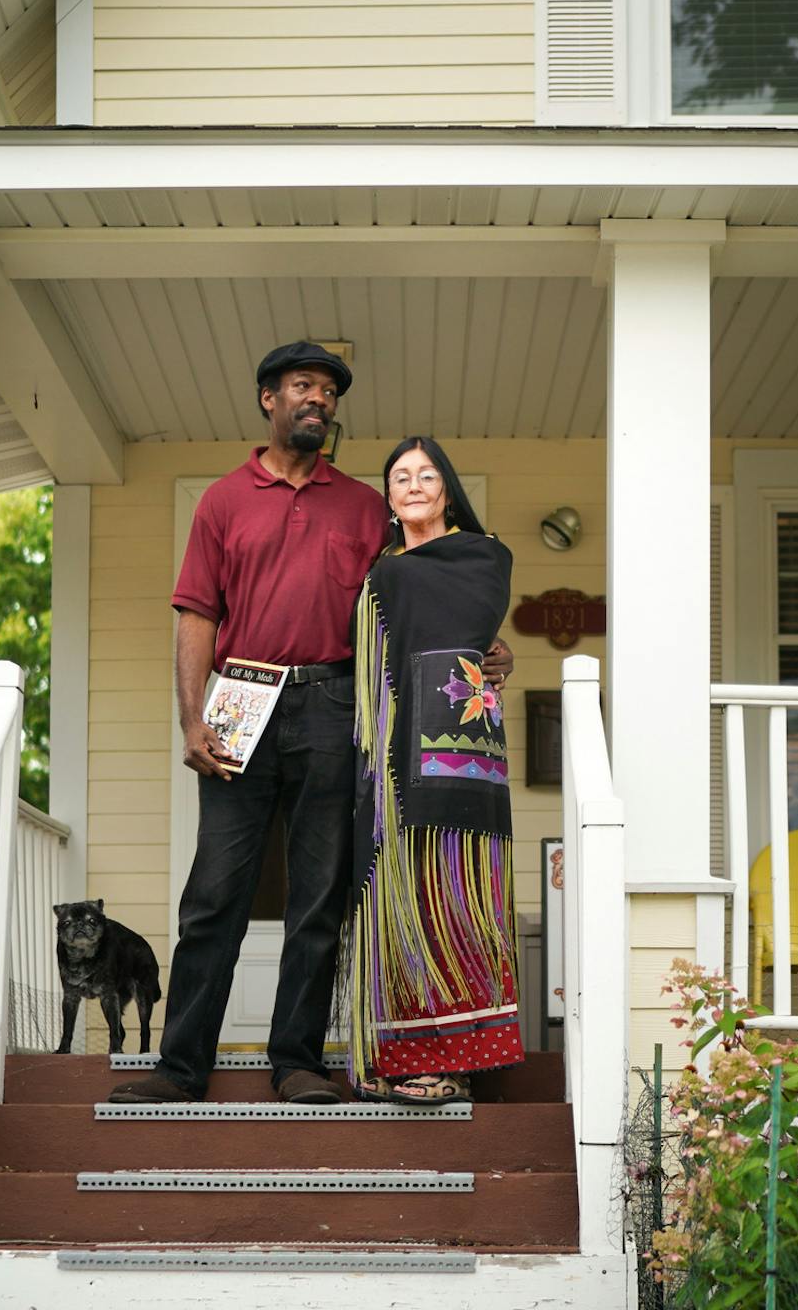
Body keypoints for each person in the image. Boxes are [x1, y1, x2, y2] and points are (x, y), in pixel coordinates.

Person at [107, 343, 511, 1107]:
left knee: (318, 896)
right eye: (302, 387)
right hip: (240, 703)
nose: (317, 400)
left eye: (327, 391)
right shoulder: (223, 501)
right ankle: (179, 1068)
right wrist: (191, 719)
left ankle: (296, 1062)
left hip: (333, 704)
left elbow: (421, 595)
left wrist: (487, 646)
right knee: (215, 893)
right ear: (269, 399)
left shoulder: (363, 506)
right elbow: (197, 611)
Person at [341, 436, 520, 1104]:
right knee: (397, 894)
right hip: (387, 745)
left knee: (456, 894)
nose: (413, 485)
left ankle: (460, 1056)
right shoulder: (379, 573)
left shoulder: (485, 554)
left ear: (447, 488)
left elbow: (471, 629)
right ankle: (399, 1056)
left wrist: (499, 656)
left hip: (458, 741)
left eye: (426, 474)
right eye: (400, 477)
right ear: (389, 496)